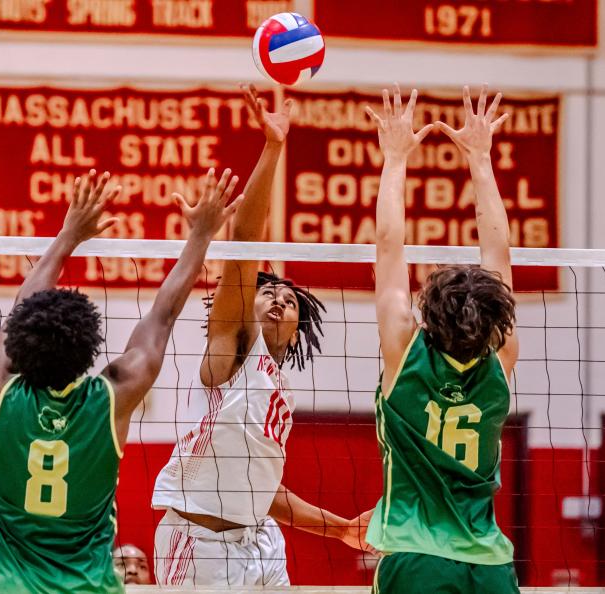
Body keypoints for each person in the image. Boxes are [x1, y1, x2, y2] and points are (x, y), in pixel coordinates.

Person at [0, 167, 244, 593]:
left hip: (7, 586)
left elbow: (20, 309)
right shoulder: (110, 397)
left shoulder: (4, 387)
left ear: (22, 341)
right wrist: (201, 235)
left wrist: (68, 235)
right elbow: (163, 316)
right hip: (89, 586)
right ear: (87, 348)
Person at [151, 84, 364, 587]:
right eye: (269, 293)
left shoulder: (279, 392)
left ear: (296, 331)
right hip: (198, 545)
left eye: (291, 300)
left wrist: (341, 530)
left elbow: (262, 492)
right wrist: (272, 147)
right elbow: (245, 244)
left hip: (260, 540)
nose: (280, 299)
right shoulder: (231, 352)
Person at [360, 84, 520, 593]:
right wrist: (481, 159)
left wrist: (394, 158)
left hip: (416, 558)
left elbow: (389, 245)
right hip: (490, 564)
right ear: (496, 318)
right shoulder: (501, 357)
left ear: (427, 312)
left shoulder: (404, 350)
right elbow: (500, 250)